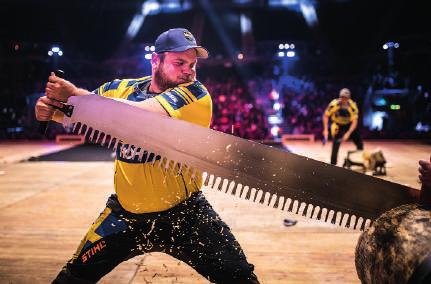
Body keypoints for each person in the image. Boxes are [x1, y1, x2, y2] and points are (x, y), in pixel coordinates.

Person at [35, 28, 259, 284]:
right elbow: (80, 112)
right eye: (179, 63)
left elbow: (138, 118)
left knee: (241, 279)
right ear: (156, 61)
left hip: (185, 216)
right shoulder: (121, 88)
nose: (189, 70)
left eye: (192, 64)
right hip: (125, 216)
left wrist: (74, 97)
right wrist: (49, 109)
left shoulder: (195, 94)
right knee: (72, 278)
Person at [322, 88, 364, 165]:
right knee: (336, 143)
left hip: (349, 125)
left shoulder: (352, 106)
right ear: (340, 97)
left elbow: (355, 122)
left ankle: (359, 160)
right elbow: (326, 116)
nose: (343, 100)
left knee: (359, 142)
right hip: (337, 125)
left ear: (348, 99)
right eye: (342, 98)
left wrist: (348, 133)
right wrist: (325, 130)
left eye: (345, 98)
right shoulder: (334, 104)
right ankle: (333, 164)